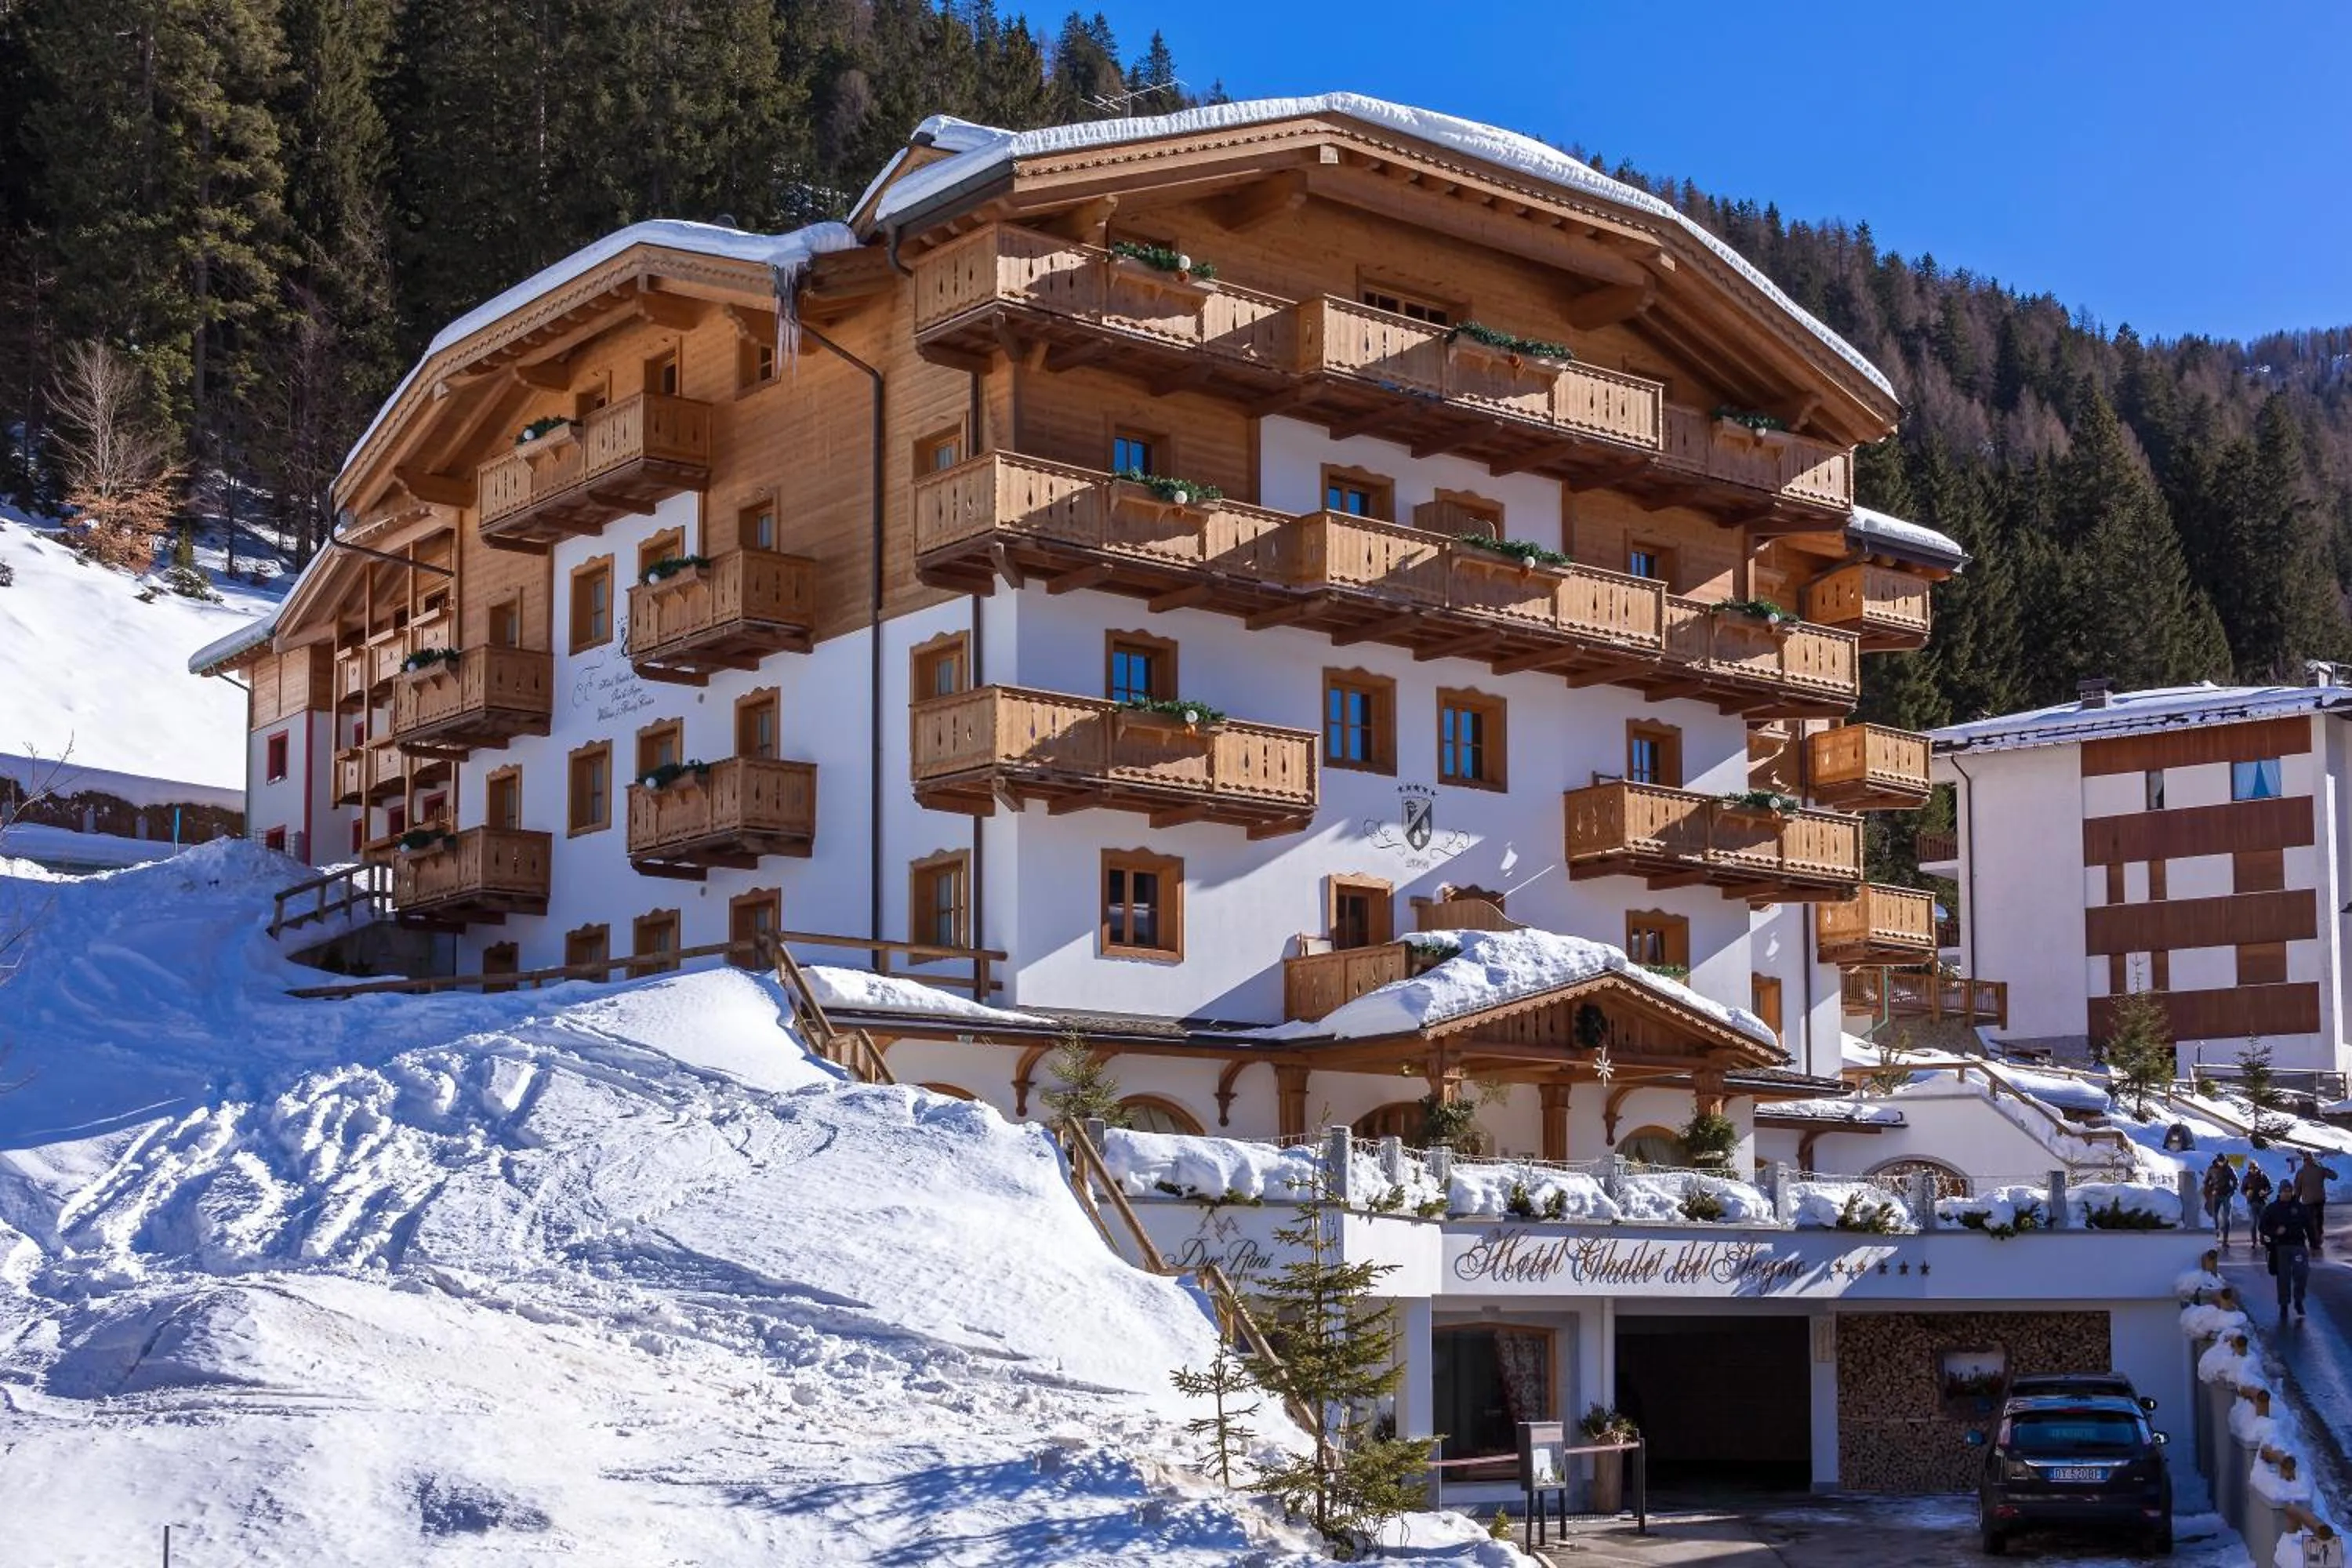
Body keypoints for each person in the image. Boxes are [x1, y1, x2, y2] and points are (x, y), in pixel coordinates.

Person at [2259, 1185, 2319, 1319]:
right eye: (2284, 1191)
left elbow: (2309, 1226)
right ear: (2279, 1192)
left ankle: (2299, 1300)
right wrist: (2275, 1231)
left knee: (2302, 1273)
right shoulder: (2272, 1208)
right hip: (2280, 1247)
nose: (2286, 1194)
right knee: (2283, 1278)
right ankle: (2284, 1304)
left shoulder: (2300, 1208)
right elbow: (2262, 1226)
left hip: (2298, 1245)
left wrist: (2314, 1245)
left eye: (2289, 1191)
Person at [2292, 1152, 2338, 1254]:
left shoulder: (2306, 1171)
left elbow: (2297, 1187)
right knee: (2316, 1221)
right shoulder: (2315, 1170)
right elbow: (2334, 1176)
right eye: (2306, 1159)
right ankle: (2316, 1240)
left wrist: (2296, 1200)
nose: (2307, 1161)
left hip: (2313, 1200)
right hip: (2315, 1200)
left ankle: (2315, 1241)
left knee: (2313, 1222)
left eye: (2308, 1159)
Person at [2202, 1154, 2241, 1245]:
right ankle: (2216, 1231)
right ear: (2217, 1161)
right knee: (2214, 1215)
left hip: (2227, 1195)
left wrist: (2232, 1191)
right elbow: (2206, 1181)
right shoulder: (2211, 1169)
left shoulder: (2229, 1168)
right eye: (2220, 1162)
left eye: (2223, 1162)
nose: (2221, 1164)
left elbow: (2236, 1181)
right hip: (2216, 1194)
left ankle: (2225, 1239)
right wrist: (2210, 1188)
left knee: (2226, 1217)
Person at [2242, 1160, 2275, 1250]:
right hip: (2251, 1202)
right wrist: (2246, 1193)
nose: (2253, 1170)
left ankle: (2262, 1239)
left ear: (2258, 1168)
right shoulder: (2246, 1178)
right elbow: (2242, 1190)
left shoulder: (2264, 1176)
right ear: (2249, 1169)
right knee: (2253, 1223)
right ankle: (2254, 1242)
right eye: (2251, 1169)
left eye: (2255, 1168)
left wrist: (2265, 1193)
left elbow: (2271, 1188)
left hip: (2262, 1202)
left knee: (2262, 1222)